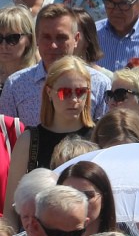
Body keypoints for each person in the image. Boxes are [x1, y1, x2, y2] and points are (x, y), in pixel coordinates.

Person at [4, 56, 94, 196]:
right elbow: (11, 208)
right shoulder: (29, 141)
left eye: (81, 92)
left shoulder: (99, 136)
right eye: (65, 92)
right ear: (49, 92)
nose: (74, 99)